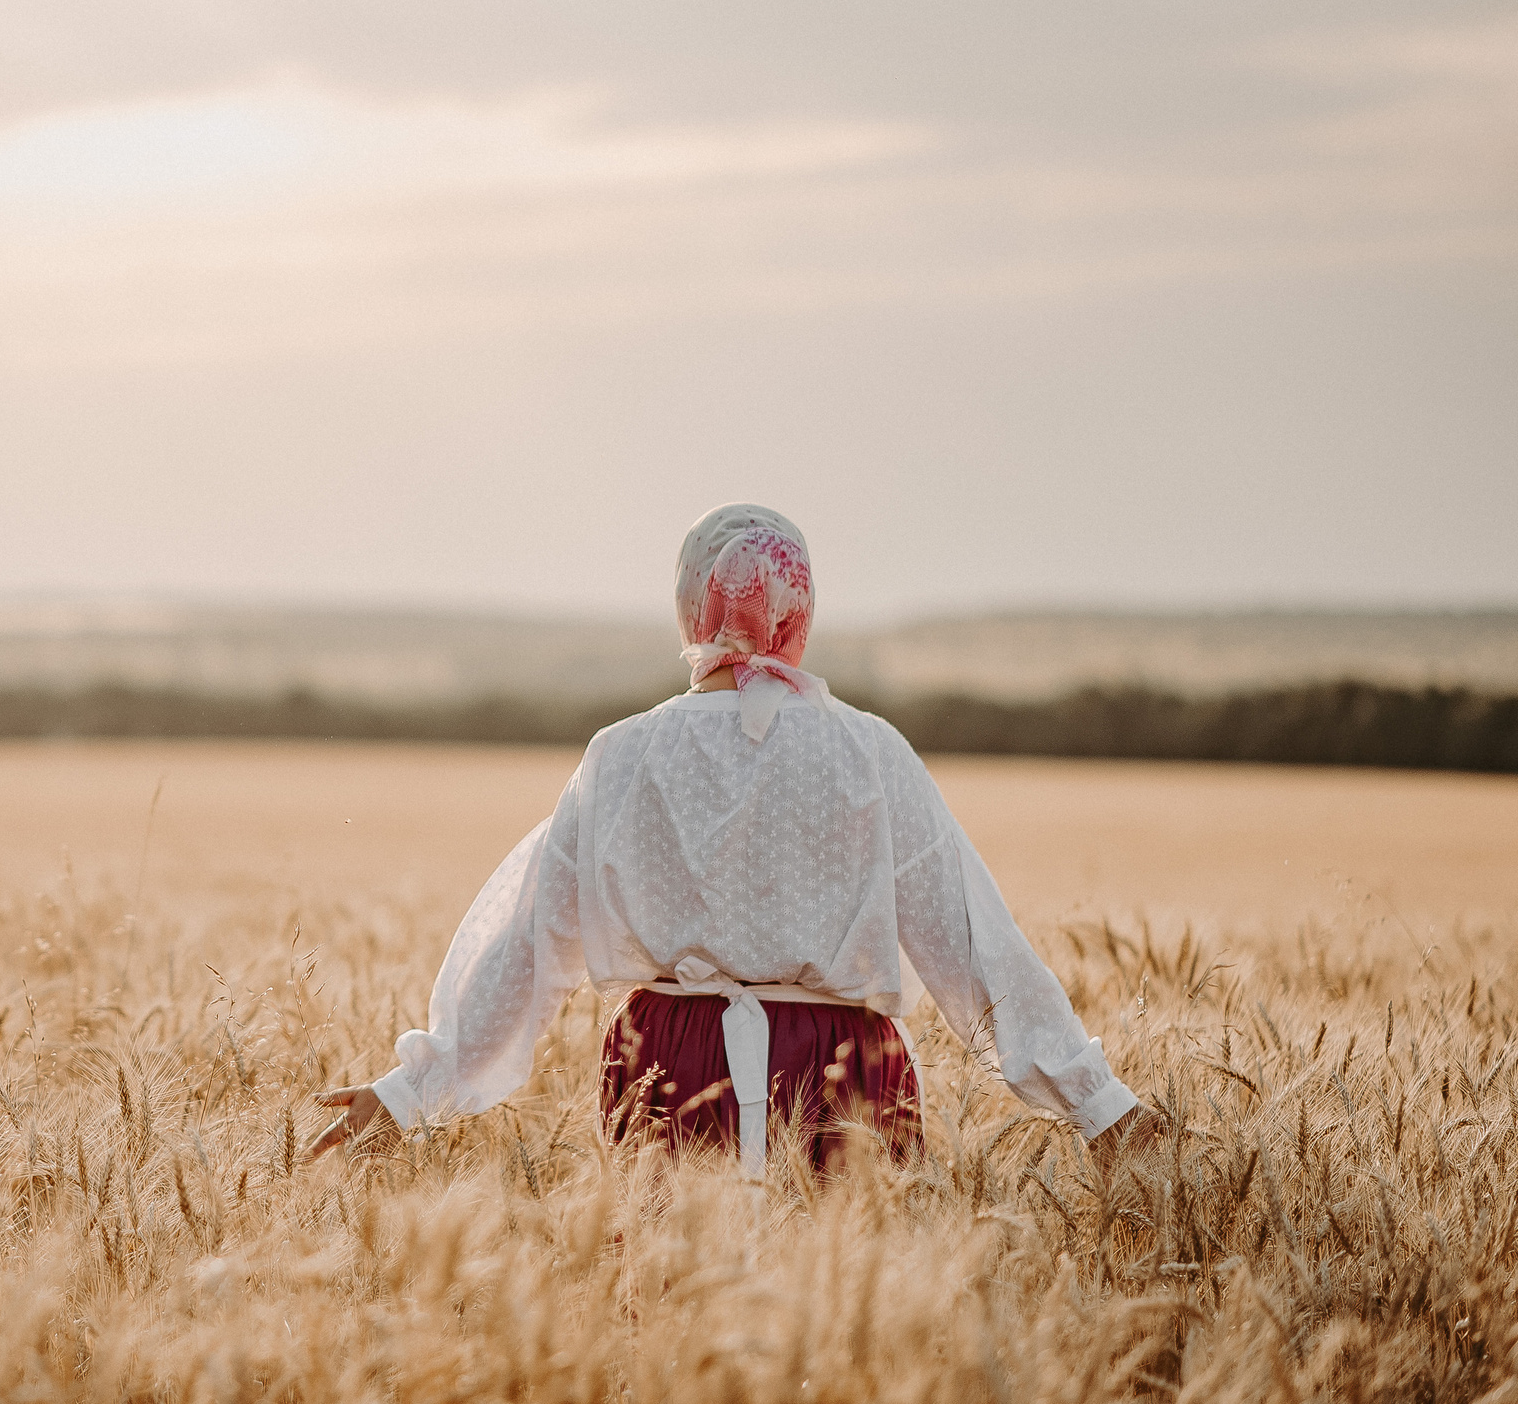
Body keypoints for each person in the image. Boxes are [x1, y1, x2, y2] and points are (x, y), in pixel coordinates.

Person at [309, 503, 1161, 1176]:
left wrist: (411, 1089)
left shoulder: (622, 753)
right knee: (846, 1344)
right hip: (843, 1077)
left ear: (690, 608)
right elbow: (974, 948)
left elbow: (529, 944)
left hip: (669, 1070)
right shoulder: (870, 750)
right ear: (801, 610)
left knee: (680, 1337)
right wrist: (1098, 1104)